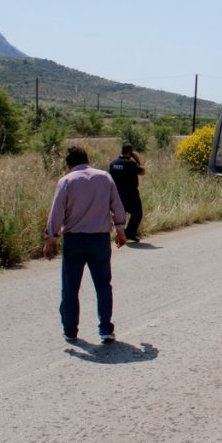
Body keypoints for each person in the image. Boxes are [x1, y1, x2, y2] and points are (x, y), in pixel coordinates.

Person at [44, 146, 127, 344]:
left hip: (74, 240)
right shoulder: (105, 178)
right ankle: (105, 329)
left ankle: (71, 331)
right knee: (103, 285)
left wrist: (50, 239)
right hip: (99, 240)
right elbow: (117, 205)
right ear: (87, 160)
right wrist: (120, 230)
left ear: (68, 164)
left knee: (71, 288)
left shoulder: (66, 181)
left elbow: (56, 213)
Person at [109, 143, 145, 242]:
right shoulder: (131, 164)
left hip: (117, 193)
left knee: (120, 215)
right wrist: (137, 160)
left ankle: (120, 234)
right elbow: (142, 172)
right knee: (137, 213)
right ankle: (129, 233)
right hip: (131, 193)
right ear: (130, 152)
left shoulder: (113, 163)